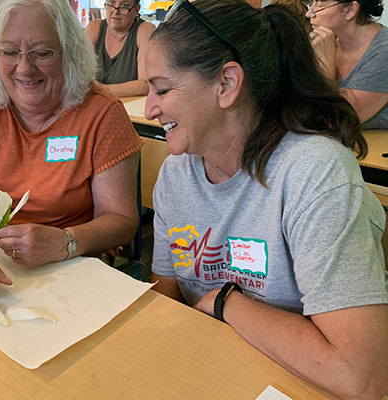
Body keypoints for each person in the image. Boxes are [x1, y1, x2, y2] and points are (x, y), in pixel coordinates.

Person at [145, 0, 388, 397]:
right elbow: (168, 298)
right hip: (214, 371)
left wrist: (228, 303)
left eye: (162, 89)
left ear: (226, 84)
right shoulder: (177, 174)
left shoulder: (313, 172)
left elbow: (361, 377)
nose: (151, 107)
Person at [0, 0, 142, 304]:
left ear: (69, 52)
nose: (24, 68)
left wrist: (67, 242)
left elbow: (121, 221)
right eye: (9, 52)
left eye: (42, 52)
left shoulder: (103, 114)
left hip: (69, 268)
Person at [308, 0, 388, 129]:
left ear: (350, 9)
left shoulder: (384, 52)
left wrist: (325, 67)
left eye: (320, 6)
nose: (309, 13)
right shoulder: (322, 39)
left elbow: (335, 122)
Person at [85, 0, 155, 97]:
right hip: (96, 107)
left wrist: (102, 89)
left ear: (137, 9)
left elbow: (146, 85)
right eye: (112, 2)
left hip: (129, 109)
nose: (115, 11)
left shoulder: (145, 30)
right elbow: (81, 78)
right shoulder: (94, 28)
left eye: (124, 5)